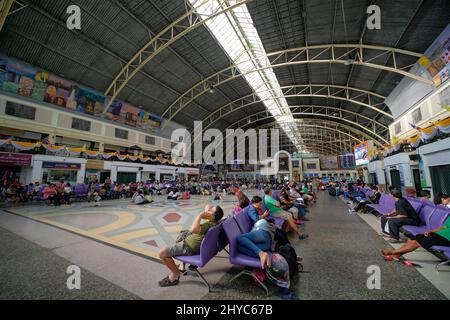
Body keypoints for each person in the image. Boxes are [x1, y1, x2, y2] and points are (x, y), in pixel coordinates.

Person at [158, 205, 224, 287]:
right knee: (184, 233)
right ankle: (182, 266)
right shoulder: (216, 222)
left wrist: (200, 215)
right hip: (196, 246)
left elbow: (193, 229)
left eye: (210, 211)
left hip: (188, 247)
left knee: (162, 253)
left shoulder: (208, 225)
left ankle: (175, 274)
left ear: (213, 216)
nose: (208, 210)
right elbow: (207, 206)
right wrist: (208, 211)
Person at [381, 215, 450, 260]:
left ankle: (393, 252)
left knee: (419, 242)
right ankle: (397, 255)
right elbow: (443, 227)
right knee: (413, 238)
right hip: (438, 234)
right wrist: (430, 231)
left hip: (447, 239)